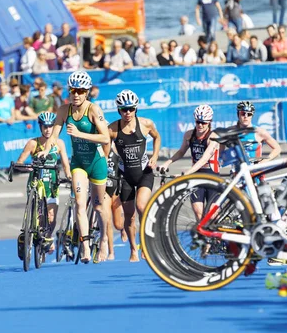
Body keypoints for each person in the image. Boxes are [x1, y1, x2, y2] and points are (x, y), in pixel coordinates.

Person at [37, 70, 111, 263]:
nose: (76, 94)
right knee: (79, 202)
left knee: (98, 205)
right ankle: (85, 246)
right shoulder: (63, 110)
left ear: (86, 92)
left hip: (96, 162)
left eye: (80, 91)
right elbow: (53, 136)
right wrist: (46, 150)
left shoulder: (94, 110)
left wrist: (80, 134)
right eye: (73, 90)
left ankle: (103, 239)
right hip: (78, 163)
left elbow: (105, 137)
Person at [108, 90, 161, 262]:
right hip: (125, 176)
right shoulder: (113, 129)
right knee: (129, 216)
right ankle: (133, 249)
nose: (128, 113)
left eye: (131, 109)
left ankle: (146, 244)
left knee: (141, 207)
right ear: (119, 110)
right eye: (124, 110)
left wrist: (154, 156)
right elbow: (104, 146)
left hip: (144, 172)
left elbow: (157, 137)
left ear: (136, 109)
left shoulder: (146, 124)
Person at [16, 112, 71, 256]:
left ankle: (48, 237)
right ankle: (30, 233)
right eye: (45, 127)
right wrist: (24, 167)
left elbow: (65, 163)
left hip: (51, 184)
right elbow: (20, 161)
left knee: (51, 217)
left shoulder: (59, 143)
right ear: (40, 127)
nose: (48, 130)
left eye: (50, 126)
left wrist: (69, 176)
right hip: (35, 182)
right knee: (37, 215)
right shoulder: (33, 143)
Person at [159, 105, 220, 220]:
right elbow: (181, 152)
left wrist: (186, 174)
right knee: (198, 212)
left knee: (212, 216)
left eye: (204, 122)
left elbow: (203, 160)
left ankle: (217, 236)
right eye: (198, 122)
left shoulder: (213, 137)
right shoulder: (189, 135)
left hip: (212, 176)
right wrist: (167, 163)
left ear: (209, 122)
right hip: (196, 175)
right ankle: (203, 237)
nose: (200, 125)